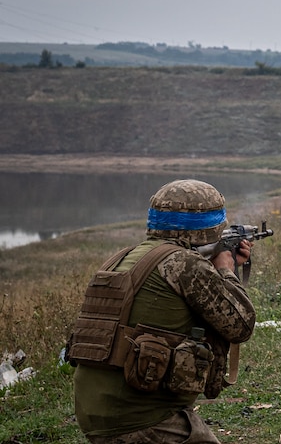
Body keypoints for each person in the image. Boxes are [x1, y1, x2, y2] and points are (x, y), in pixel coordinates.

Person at [68, 179, 257, 443]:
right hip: (143, 418)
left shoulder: (124, 258)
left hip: (95, 413)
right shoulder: (184, 263)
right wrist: (226, 269)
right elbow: (241, 325)